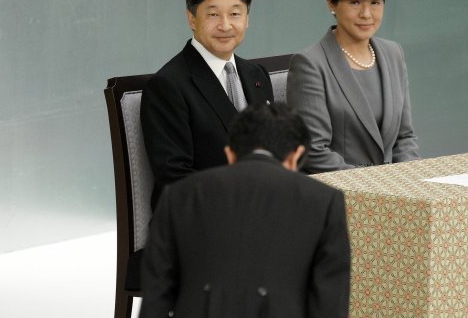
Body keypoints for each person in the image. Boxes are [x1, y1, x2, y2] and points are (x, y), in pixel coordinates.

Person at [139, 103, 351, 318]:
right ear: (295, 156)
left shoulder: (178, 195)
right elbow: (329, 304)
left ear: (230, 154)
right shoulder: (325, 201)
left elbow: (156, 295)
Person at [141, 0, 274, 208]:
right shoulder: (167, 85)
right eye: (213, 14)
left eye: (235, 14)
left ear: (247, 19)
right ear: (192, 19)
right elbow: (175, 179)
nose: (225, 25)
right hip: (199, 221)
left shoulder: (257, 75)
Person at [287, 0, 419, 173]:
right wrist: (375, 187)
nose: (366, 14)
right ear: (331, 3)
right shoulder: (310, 64)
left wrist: (406, 181)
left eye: (375, 2)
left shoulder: (393, 53)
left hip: (395, 195)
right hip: (341, 195)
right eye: (355, 3)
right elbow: (313, 152)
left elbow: (405, 138)